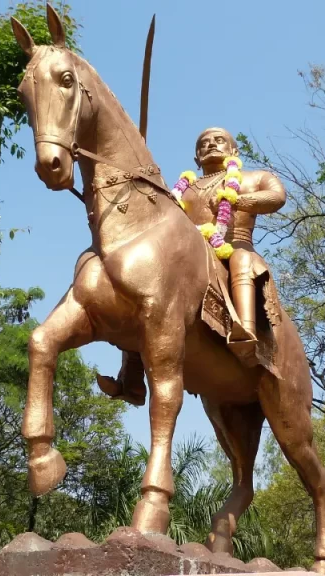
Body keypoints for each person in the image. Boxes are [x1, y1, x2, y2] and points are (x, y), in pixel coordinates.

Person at [96, 127, 287, 405]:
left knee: (242, 260)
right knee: (145, 287)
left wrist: (239, 200)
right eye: (204, 144)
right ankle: (132, 378)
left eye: (219, 141)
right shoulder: (184, 189)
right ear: (196, 158)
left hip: (233, 247)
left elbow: (277, 197)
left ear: (234, 151)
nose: (211, 145)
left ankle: (244, 333)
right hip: (188, 256)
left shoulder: (253, 178)